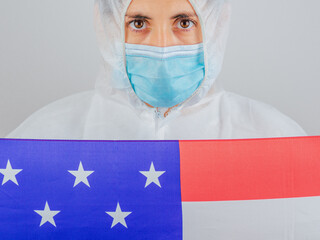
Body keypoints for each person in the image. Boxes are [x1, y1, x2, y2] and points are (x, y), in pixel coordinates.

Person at [6, 0, 306, 140]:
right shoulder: (45, 138)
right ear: (110, 28)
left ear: (215, 27)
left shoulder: (273, 138)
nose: (162, 47)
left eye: (184, 22)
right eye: (138, 23)